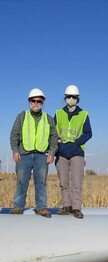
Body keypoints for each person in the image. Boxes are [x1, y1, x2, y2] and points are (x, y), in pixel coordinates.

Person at [10, 88, 58, 218]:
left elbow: (54, 137)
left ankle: (41, 207)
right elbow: (14, 135)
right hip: (23, 155)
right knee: (21, 181)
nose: (36, 103)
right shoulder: (22, 116)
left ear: (43, 102)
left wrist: (52, 153)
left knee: (41, 182)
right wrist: (15, 150)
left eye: (39, 101)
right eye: (33, 100)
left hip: (41, 156)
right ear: (29, 102)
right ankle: (18, 206)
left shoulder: (48, 118)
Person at [55, 85, 92, 219]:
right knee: (63, 181)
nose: (71, 99)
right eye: (69, 97)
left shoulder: (84, 114)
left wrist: (76, 143)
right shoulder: (58, 113)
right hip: (61, 152)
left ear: (78, 99)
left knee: (76, 182)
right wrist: (57, 146)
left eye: (74, 97)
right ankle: (66, 206)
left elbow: (88, 133)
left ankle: (76, 208)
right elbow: (54, 132)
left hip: (77, 152)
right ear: (65, 98)